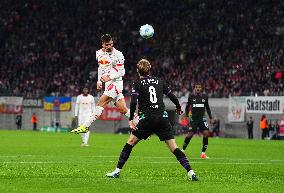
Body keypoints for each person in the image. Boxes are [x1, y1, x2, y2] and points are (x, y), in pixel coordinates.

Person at [106, 59, 198, 181]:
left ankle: (117, 171)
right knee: (174, 147)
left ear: (138, 71)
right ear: (150, 70)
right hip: (162, 118)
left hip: (147, 118)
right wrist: (178, 107)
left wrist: (131, 117)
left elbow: (133, 101)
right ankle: (191, 172)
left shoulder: (137, 83)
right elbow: (172, 96)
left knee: (130, 143)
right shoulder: (160, 81)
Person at [71, 34, 138, 133]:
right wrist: (99, 80)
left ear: (112, 42)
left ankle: (85, 126)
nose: (109, 46)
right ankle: (143, 126)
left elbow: (122, 72)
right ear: (102, 44)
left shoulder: (119, 54)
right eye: (106, 45)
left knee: (100, 103)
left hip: (116, 84)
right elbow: (100, 68)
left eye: (110, 44)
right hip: (107, 84)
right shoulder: (98, 53)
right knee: (124, 110)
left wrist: (109, 77)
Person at [181, 82, 213, 159]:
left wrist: (211, 118)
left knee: (206, 133)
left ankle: (203, 153)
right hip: (194, 119)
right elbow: (187, 106)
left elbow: (207, 108)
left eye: (199, 87)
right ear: (194, 88)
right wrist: (187, 116)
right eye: (196, 87)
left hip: (202, 119)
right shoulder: (191, 96)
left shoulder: (205, 96)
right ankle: (182, 151)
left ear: (201, 88)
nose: (198, 88)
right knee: (190, 134)